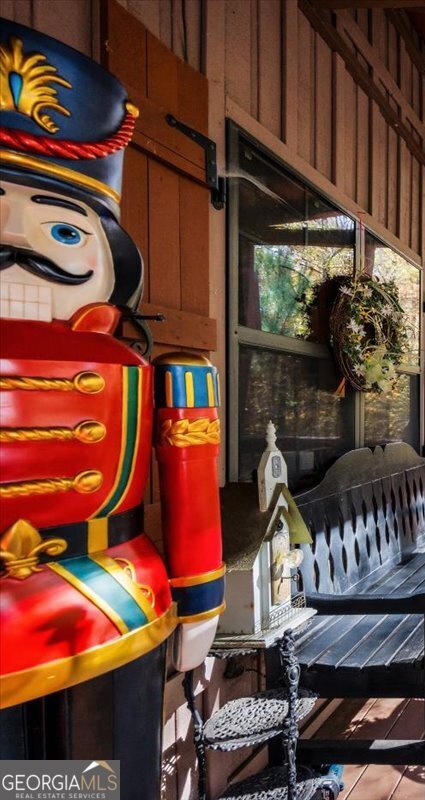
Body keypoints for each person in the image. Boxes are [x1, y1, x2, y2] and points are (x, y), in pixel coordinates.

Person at [0, 18, 224, 794]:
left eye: (60, 228)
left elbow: (191, 486)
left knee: (91, 782)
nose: (14, 242)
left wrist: (202, 601)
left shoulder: (159, 374)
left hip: (102, 597)